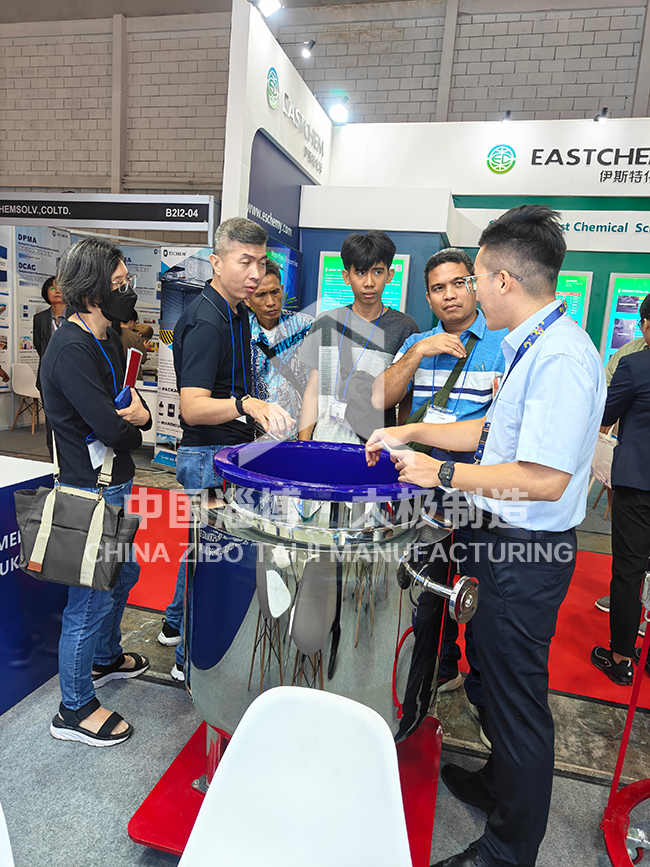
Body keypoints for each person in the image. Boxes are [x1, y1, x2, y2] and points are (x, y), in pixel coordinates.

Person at [366, 205, 606, 867]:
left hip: (524, 551)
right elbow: (490, 433)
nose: (465, 292)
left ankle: (509, 848)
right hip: (493, 539)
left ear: (503, 280)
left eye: (472, 278)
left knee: (517, 697)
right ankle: (501, 782)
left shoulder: (560, 357)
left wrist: (440, 471)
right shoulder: (530, 344)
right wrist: (410, 430)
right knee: (492, 678)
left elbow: (544, 479)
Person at [373, 247, 506, 746]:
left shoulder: (504, 341)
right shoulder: (417, 341)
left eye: (457, 283)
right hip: (418, 486)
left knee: (478, 590)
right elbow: (378, 398)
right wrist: (417, 354)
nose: (449, 295)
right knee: (424, 585)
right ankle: (436, 666)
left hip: (474, 488)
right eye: (437, 288)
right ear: (427, 297)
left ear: (475, 284)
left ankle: (482, 694)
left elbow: (499, 428)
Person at [158, 217, 293, 681]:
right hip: (207, 457)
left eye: (261, 262)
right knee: (211, 561)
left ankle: (174, 625)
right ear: (216, 262)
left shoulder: (235, 311)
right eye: (244, 261)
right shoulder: (205, 319)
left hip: (228, 453)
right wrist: (247, 404)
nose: (255, 274)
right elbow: (193, 408)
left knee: (204, 550)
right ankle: (188, 663)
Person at [40, 237, 152, 747]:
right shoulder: (70, 348)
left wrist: (138, 419)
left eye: (128, 282)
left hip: (116, 484)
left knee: (123, 574)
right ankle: (74, 707)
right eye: (120, 285)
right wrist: (135, 426)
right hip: (90, 492)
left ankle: (105, 658)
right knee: (88, 599)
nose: (129, 292)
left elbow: (131, 409)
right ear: (91, 293)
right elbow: (114, 428)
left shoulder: (108, 340)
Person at [298, 230, 419, 444]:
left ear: (390, 275)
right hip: (324, 444)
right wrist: (303, 445)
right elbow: (313, 391)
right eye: (361, 272)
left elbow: (406, 397)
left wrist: (401, 446)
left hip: (375, 450)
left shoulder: (404, 328)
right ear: (347, 277)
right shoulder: (325, 322)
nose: (369, 282)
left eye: (378, 272)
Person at [591, 295, 650, 685]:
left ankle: (621, 659)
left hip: (638, 484)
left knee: (629, 572)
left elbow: (607, 414)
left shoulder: (636, 364)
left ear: (645, 324)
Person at [246, 257, 313, 431]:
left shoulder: (305, 327)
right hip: (255, 436)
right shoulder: (240, 334)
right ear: (247, 299)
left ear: (282, 290)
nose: (270, 302)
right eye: (260, 295)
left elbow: (317, 389)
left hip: (298, 433)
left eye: (275, 292)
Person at [33, 276, 69, 458]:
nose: (57, 290)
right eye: (52, 288)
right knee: (51, 422)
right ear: (46, 293)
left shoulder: (77, 316)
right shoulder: (39, 318)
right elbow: (39, 347)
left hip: (73, 376)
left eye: (61, 287)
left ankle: (72, 460)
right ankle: (54, 460)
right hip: (48, 377)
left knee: (73, 421)